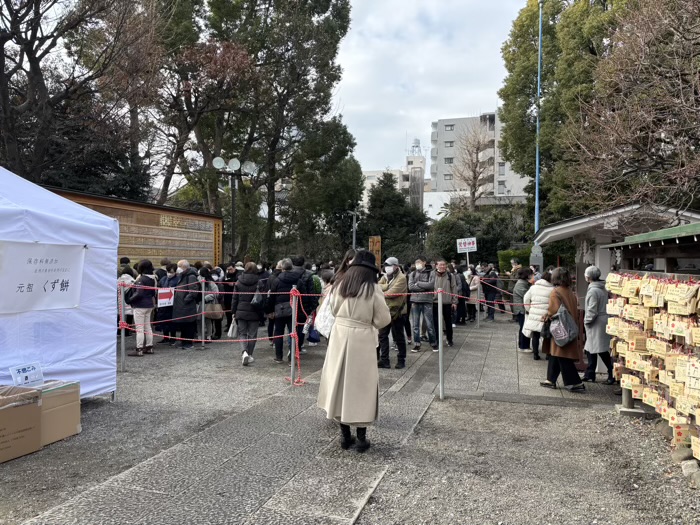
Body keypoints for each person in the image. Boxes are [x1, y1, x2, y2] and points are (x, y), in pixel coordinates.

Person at [317, 250, 391, 452]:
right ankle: (361, 438)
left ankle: (344, 435)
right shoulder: (373, 289)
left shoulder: (340, 285)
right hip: (362, 338)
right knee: (361, 386)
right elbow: (383, 319)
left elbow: (332, 310)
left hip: (339, 335)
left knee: (338, 382)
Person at [540, 267, 584, 392]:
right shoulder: (570, 291)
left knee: (561, 354)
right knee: (556, 353)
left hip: (560, 327)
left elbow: (553, 310)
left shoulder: (556, 292)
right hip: (570, 326)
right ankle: (550, 380)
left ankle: (575, 382)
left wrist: (546, 316)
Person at [582, 266, 614, 384]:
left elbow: (592, 310)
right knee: (593, 348)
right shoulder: (602, 288)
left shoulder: (592, 291)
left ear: (588, 277)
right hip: (602, 319)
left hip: (596, 322)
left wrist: (587, 320)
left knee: (599, 349)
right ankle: (590, 372)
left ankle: (611, 373)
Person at [269, 258, 303, 363]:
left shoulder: (277, 280)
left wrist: (270, 310)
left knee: (278, 332)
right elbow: (303, 295)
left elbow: (272, 297)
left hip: (280, 309)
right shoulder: (298, 280)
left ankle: (279, 356)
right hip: (293, 308)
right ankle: (292, 356)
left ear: (282, 268)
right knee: (293, 333)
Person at [377, 257, 408, 369]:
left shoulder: (402, 278)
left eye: (389, 265)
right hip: (385, 310)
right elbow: (377, 287)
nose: (387, 267)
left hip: (397, 311)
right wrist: (387, 286)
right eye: (386, 265)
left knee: (398, 336)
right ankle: (384, 360)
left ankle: (401, 360)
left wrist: (384, 290)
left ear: (396, 266)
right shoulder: (385, 277)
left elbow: (392, 293)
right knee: (382, 335)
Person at [231, 262, 262, 366]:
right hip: (255, 311)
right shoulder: (259, 282)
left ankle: (244, 352)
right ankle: (250, 354)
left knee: (242, 333)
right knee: (252, 335)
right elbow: (263, 298)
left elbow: (234, 298)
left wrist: (233, 311)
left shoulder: (238, 281)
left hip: (241, 310)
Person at [128, 260, 157, 357]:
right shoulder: (153, 279)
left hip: (140, 305)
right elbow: (153, 293)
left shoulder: (141, 279)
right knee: (147, 326)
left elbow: (139, 293)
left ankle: (139, 349)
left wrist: (129, 300)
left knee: (139, 328)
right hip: (149, 304)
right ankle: (149, 347)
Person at [523, 270, 554, 360]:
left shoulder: (533, 287)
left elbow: (526, 299)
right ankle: (548, 354)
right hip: (545, 316)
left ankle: (535, 354)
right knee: (547, 335)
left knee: (535, 335)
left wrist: (529, 310)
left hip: (534, 314)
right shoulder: (552, 289)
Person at [408, 256, 437, 351]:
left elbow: (431, 285)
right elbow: (411, 287)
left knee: (429, 323)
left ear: (424, 262)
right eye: (416, 262)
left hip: (427, 300)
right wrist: (424, 287)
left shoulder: (431, 273)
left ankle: (433, 343)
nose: (417, 264)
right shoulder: (412, 273)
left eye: (419, 262)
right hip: (415, 301)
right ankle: (417, 344)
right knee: (415, 324)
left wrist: (418, 283)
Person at [173, 260, 200, 349]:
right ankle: (183, 341)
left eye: (179, 266)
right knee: (183, 324)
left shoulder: (191, 276)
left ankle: (188, 342)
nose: (177, 268)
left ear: (184, 267)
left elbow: (193, 291)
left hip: (187, 305)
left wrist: (185, 300)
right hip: (181, 304)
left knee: (189, 324)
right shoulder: (182, 276)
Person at [432, 260, 458, 348]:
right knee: (435, 323)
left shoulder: (450, 276)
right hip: (435, 302)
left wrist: (454, 301)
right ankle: (437, 340)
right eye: (440, 265)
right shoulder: (432, 275)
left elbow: (454, 288)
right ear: (436, 266)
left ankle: (449, 339)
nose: (442, 266)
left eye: (444, 265)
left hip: (447, 302)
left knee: (448, 322)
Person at [156, 263, 180, 346]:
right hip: (163, 303)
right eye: (168, 271)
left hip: (172, 304)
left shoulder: (178, 279)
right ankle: (165, 337)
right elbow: (159, 286)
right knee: (164, 320)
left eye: (172, 272)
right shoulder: (163, 279)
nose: (169, 273)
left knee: (172, 322)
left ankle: (173, 338)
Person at [512, 267, 533, 353]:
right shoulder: (521, 284)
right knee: (524, 327)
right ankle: (523, 346)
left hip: (522, 308)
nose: (532, 276)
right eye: (531, 274)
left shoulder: (523, 283)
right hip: (521, 309)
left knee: (524, 327)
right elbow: (526, 296)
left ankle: (524, 345)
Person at [199, 267, 220, 345]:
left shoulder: (211, 283)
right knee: (199, 320)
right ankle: (200, 336)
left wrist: (207, 297)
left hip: (208, 302)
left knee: (208, 320)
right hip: (200, 302)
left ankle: (209, 336)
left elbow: (216, 293)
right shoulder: (198, 281)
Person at [117, 266, 135, 337]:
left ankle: (119, 331)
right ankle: (127, 332)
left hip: (120, 300)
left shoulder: (118, 280)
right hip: (128, 300)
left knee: (120, 315)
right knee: (129, 315)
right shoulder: (132, 280)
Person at [222, 264, 238, 332]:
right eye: (228, 269)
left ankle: (237, 326)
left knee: (235, 312)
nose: (229, 271)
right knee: (228, 312)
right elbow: (222, 281)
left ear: (234, 268)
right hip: (227, 295)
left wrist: (233, 284)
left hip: (235, 296)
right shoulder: (226, 275)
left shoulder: (238, 274)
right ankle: (229, 325)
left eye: (231, 269)